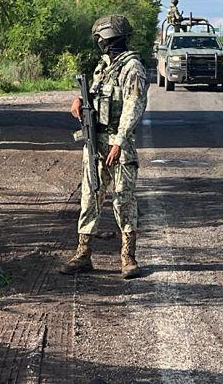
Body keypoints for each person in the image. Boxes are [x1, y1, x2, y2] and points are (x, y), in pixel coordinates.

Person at [62, 14, 149, 279]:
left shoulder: (132, 67)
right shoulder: (104, 66)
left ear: (108, 37)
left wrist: (120, 142)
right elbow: (97, 94)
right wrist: (79, 99)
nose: (98, 42)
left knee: (123, 199)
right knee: (90, 197)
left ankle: (128, 257)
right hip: (95, 142)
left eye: (100, 37)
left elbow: (134, 106)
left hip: (117, 145)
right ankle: (83, 254)